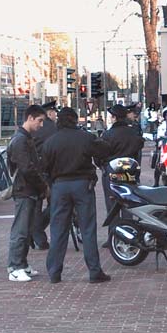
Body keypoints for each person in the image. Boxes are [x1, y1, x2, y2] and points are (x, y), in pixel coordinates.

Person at [42, 107, 112, 284]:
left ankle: (54, 272)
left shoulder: (51, 141)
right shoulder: (85, 137)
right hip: (82, 184)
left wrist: (52, 183)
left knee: (58, 229)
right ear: (74, 120)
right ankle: (94, 271)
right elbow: (104, 150)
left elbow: (44, 168)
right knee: (88, 228)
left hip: (59, 186)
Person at [6, 105, 48, 282]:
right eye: (39, 121)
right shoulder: (21, 140)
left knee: (26, 228)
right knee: (21, 229)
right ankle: (15, 267)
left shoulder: (23, 138)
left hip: (28, 189)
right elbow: (27, 169)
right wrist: (42, 185)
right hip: (25, 190)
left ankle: (21, 264)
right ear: (30, 118)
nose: (41, 125)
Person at [100, 104, 145, 247]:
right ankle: (130, 233)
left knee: (112, 205)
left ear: (114, 117)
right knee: (128, 204)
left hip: (112, 174)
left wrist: (104, 166)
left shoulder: (107, 135)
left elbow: (99, 155)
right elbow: (138, 152)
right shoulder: (133, 133)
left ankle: (113, 236)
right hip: (129, 173)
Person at [29, 100, 57, 250]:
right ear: (49, 113)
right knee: (54, 204)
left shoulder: (32, 129)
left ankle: (38, 235)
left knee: (36, 206)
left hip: (36, 170)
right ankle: (37, 229)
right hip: (50, 172)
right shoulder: (53, 128)